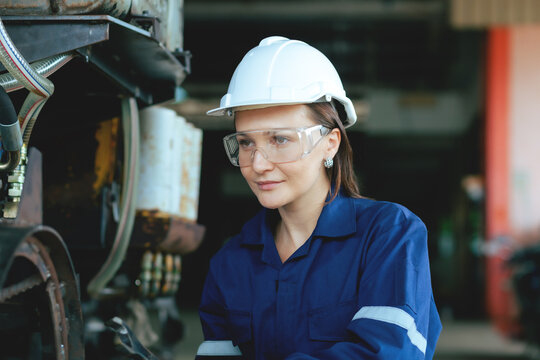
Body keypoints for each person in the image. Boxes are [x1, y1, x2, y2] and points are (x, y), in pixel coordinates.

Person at [196, 36, 441, 359]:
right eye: (245, 143)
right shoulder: (230, 263)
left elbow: (388, 353)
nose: (258, 164)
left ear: (331, 143)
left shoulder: (388, 235)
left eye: (280, 139)